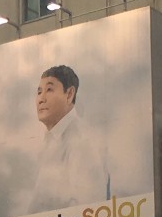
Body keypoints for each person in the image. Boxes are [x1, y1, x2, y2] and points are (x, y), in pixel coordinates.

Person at [29, 64, 114, 206]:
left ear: (69, 94)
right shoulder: (50, 141)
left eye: (49, 90)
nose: (41, 99)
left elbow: (90, 210)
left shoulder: (82, 141)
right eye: (39, 92)